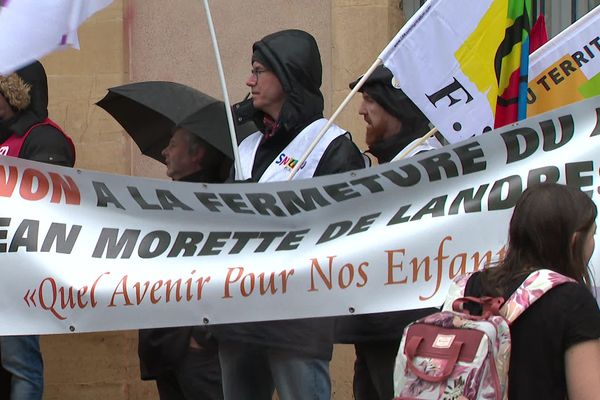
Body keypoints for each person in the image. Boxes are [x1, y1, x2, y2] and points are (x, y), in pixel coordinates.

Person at [215, 29, 365, 400]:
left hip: (297, 316)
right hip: (239, 312)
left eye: (259, 70)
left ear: (288, 74)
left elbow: (345, 229)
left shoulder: (331, 147)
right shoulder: (245, 147)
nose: (249, 80)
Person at [334, 65, 440, 400]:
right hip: (375, 329)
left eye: (369, 100)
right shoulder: (392, 165)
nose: (361, 110)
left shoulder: (428, 167)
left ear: (395, 106)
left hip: (406, 330)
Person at [462, 183, 600, 399]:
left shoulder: (470, 285)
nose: (592, 243)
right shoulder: (572, 300)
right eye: (593, 234)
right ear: (574, 240)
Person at [0, 61, 75, 399]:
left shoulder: (44, 138)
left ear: (14, 93)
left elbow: (46, 206)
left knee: (21, 366)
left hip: (18, 274)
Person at [138, 125, 230, 400]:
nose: (165, 151)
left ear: (197, 154)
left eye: (173, 144)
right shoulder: (169, 201)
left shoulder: (219, 205)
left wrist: (202, 336)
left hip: (194, 349)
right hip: (165, 344)